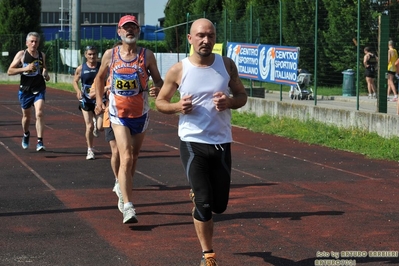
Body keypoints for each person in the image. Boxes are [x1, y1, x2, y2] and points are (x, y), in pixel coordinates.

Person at [155, 18, 248, 266]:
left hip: (221, 142)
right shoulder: (179, 69)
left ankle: (199, 197)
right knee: (205, 204)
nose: (206, 40)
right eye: (200, 36)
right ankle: (208, 255)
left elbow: (242, 95)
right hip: (191, 141)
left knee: (220, 206)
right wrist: (177, 106)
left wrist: (228, 102)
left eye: (210, 35)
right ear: (190, 38)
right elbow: (160, 102)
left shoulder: (226, 65)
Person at [94, 15, 163, 224]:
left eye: (133, 27)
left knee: (134, 156)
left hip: (140, 113)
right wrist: (99, 100)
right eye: (126, 28)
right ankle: (128, 206)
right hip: (117, 113)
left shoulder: (147, 55)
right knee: (125, 156)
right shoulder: (110, 54)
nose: (129, 31)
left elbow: (159, 80)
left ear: (138, 31)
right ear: (119, 32)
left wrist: (156, 88)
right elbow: (98, 78)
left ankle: (122, 187)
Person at [7, 32, 50, 151]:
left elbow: (44, 67)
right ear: (27, 43)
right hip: (25, 89)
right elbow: (10, 71)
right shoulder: (22, 54)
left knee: (39, 112)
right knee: (26, 116)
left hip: (39, 87)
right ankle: (26, 133)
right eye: (31, 41)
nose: (34, 44)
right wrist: (25, 68)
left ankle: (40, 142)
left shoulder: (41, 55)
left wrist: (45, 72)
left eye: (36, 41)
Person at [73, 46, 103, 160]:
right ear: (85, 55)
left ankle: (96, 123)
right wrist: (77, 91)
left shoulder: (102, 67)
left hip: (99, 99)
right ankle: (90, 150)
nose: (92, 56)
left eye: (94, 54)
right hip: (86, 99)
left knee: (100, 127)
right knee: (89, 126)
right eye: (89, 54)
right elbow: (75, 81)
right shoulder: (81, 68)